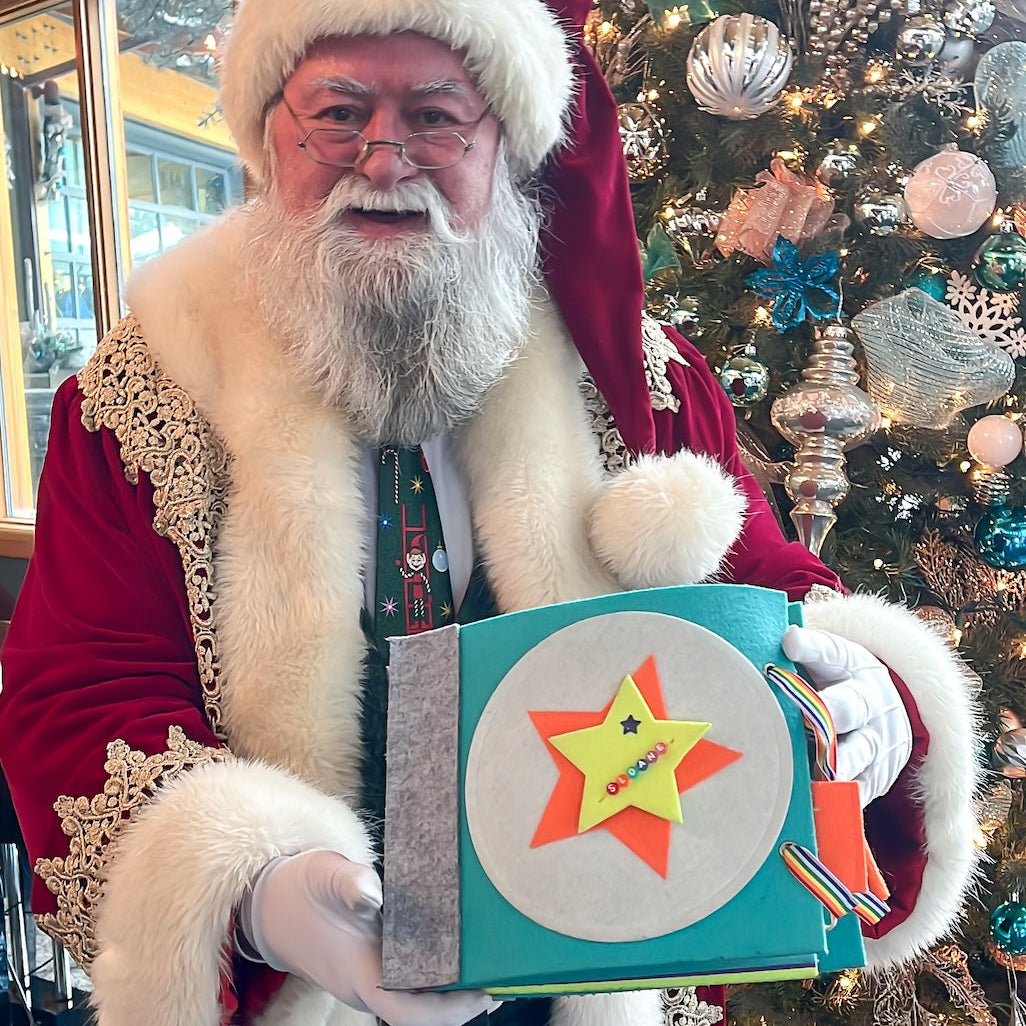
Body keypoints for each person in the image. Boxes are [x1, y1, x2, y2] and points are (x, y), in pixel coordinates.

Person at [0, 1, 980, 1025]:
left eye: (436, 117)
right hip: (291, 979)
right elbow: (83, 684)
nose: (383, 162)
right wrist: (262, 891)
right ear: (268, 139)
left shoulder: (642, 379)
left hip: (596, 965)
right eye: (336, 114)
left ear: (506, 141)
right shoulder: (137, 400)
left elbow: (769, 595)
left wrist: (873, 690)